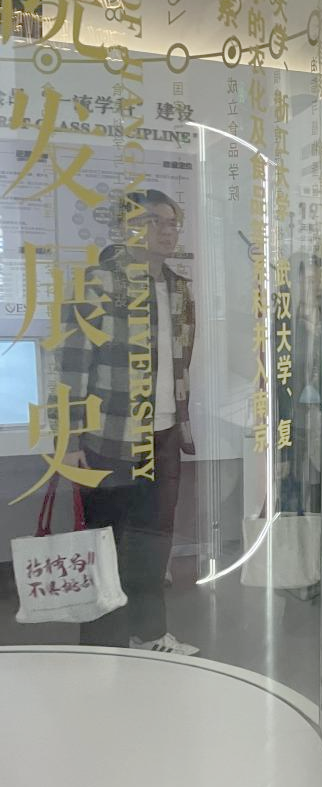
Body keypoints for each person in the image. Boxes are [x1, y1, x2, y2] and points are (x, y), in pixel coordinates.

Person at [58, 189, 199, 655]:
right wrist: (70, 439)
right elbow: (73, 364)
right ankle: (103, 644)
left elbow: (181, 361)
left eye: (172, 222)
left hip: (163, 433)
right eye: (154, 220)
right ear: (127, 227)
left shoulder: (178, 287)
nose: (166, 230)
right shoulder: (98, 281)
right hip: (109, 436)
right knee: (107, 543)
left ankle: (151, 632)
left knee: (154, 542)